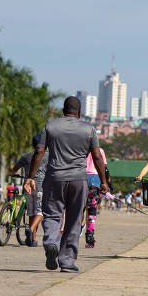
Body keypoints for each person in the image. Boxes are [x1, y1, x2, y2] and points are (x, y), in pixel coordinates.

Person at [25, 96, 107, 273]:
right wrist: (104, 182)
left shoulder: (50, 126)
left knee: (53, 215)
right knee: (74, 220)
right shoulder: (89, 129)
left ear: (63, 111)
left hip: (54, 178)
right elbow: (97, 157)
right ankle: (67, 262)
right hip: (79, 179)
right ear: (79, 112)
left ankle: (51, 244)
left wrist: (31, 176)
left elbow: (39, 151)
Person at [9, 134, 49, 247]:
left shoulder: (25, 156)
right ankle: (31, 229)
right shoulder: (48, 156)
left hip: (27, 187)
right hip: (41, 186)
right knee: (41, 211)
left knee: (31, 212)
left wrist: (13, 174)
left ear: (32, 144)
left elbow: (14, 169)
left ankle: (34, 239)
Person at [83, 147, 106, 248]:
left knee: (78, 210)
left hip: (80, 178)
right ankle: (90, 237)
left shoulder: (80, 148)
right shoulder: (99, 150)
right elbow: (103, 166)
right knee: (91, 212)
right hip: (95, 180)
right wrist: (104, 183)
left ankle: (74, 233)